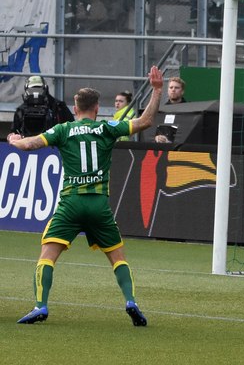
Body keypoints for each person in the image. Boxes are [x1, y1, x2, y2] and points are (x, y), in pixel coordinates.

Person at [10, 66, 165, 327]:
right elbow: (145, 121)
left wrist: (15, 140)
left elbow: (29, 145)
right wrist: (157, 90)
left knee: (47, 256)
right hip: (98, 205)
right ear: (96, 108)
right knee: (118, 257)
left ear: (75, 107)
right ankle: (130, 301)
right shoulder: (107, 128)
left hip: (71, 204)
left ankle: (41, 306)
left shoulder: (63, 130)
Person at [8, 75, 74, 140]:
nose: (35, 92)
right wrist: (12, 137)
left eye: (39, 88)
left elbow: (72, 127)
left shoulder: (58, 107)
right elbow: (13, 133)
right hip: (27, 145)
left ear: (45, 89)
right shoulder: (21, 111)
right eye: (32, 89)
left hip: (53, 144)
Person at [154, 76, 187, 143]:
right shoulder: (161, 110)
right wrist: (157, 137)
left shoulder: (189, 109)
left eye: (176, 88)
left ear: (182, 91)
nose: (173, 90)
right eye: (171, 87)